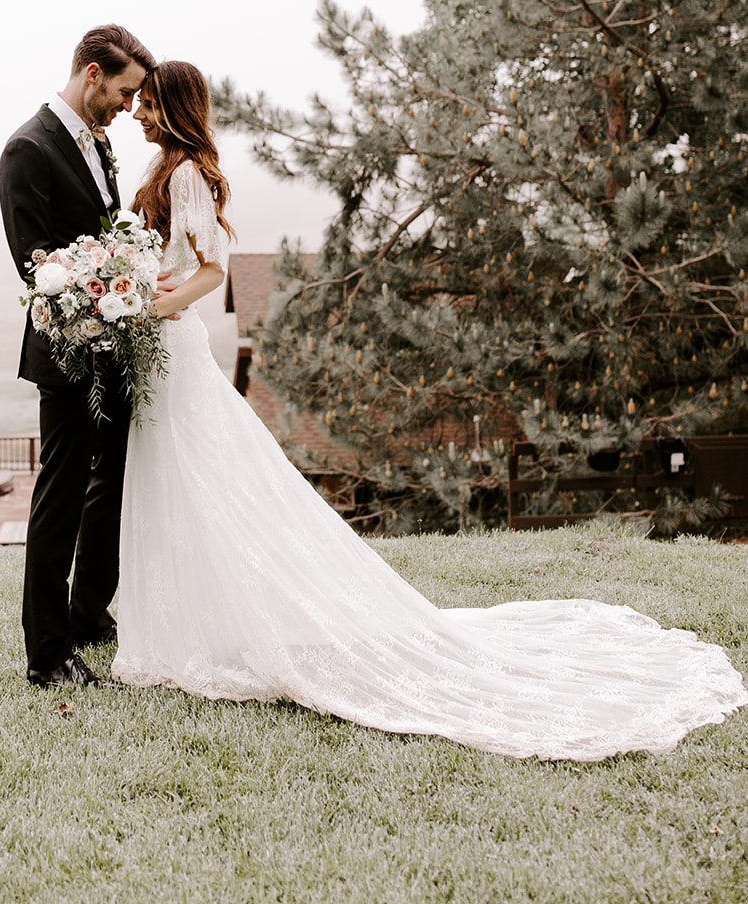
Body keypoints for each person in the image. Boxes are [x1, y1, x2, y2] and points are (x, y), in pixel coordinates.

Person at [110, 60, 748, 760]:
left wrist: (149, 304)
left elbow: (211, 273)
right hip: (156, 345)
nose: (136, 113)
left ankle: (220, 626)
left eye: (145, 103)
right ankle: (187, 624)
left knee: (205, 482)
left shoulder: (186, 174)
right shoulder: (165, 169)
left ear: (173, 106)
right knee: (172, 483)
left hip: (170, 341)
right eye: (133, 101)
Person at [0, 23, 155, 687]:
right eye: (122, 92)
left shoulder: (101, 144)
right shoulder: (27, 150)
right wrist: (97, 302)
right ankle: (46, 653)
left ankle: (88, 612)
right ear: (92, 74)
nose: (127, 106)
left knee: (112, 486)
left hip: (116, 345)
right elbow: (38, 267)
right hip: (65, 351)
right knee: (60, 496)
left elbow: (105, 233)